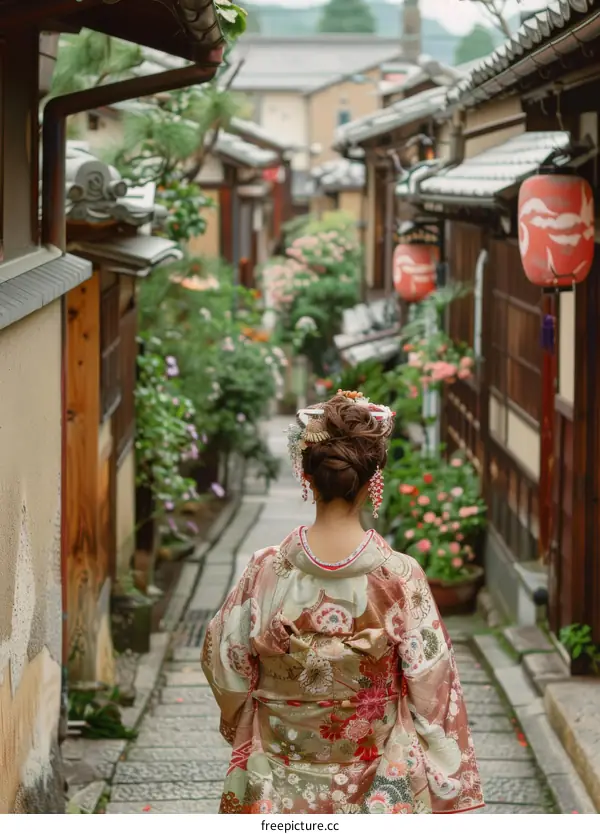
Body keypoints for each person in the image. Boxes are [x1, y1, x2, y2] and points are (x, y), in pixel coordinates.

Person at [202, 391, 484, 814]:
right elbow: (433, 690)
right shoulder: (400, 577)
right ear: (373, 481)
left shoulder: (265, 571)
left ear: (307, 476)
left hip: (278, 769)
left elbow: (225, 666)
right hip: (377, 770)